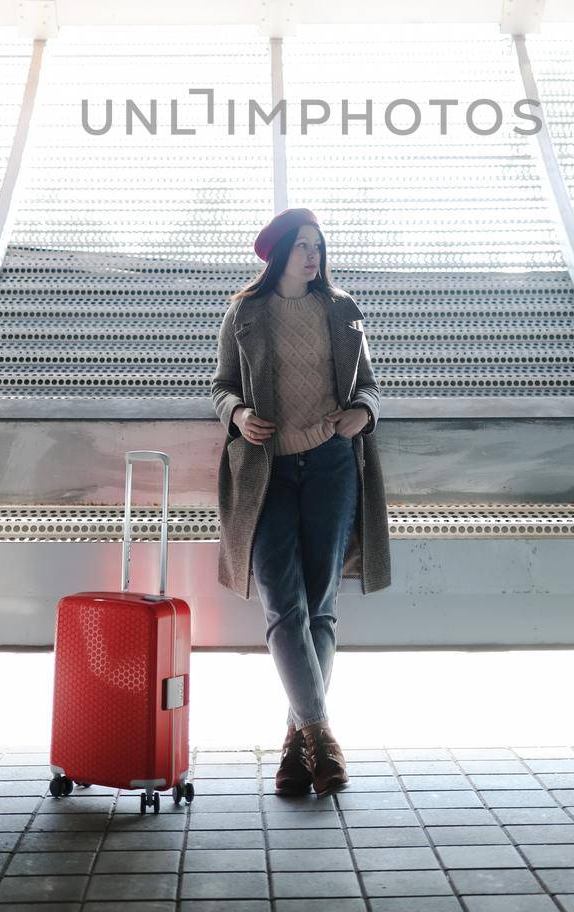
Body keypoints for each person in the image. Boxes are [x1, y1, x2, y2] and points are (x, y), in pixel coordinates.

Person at [210, 206, 392, 797]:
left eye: (318, 246)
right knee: (283, 605)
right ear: (278, 254)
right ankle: (320, 733)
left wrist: (362, 412)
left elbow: (368, 384)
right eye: (301, 247)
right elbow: (222, 386)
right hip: (267, 473)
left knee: (321, 605)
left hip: (332, 466)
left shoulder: (342, 310)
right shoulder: (245, 313)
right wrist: (237, 414)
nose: (312, 256)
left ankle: (296, 744)